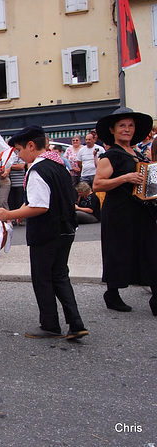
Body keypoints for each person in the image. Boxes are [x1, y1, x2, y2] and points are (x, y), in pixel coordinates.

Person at [0, 126, 88, 340]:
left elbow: (40, 206)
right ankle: (76, 322)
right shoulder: (59, 166)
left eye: (18, 150)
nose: (18, 155)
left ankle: (50, 324)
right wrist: (21, 210)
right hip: (66, 229)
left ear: (31, 145)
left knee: (43, 278)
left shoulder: (37, 169)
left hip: (46, 232)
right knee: (60, 276)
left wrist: (10, 213)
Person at [93, 107, 157, 315]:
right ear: (113, 130)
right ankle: (112, 294)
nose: (127, 129)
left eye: (130, 125)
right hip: (119, 211)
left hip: (140, 210)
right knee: (118, 251)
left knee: (149, 250)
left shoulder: (137, 152)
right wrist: (125, 178)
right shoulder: (110, 155)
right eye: (122, 125)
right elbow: (97, 185)